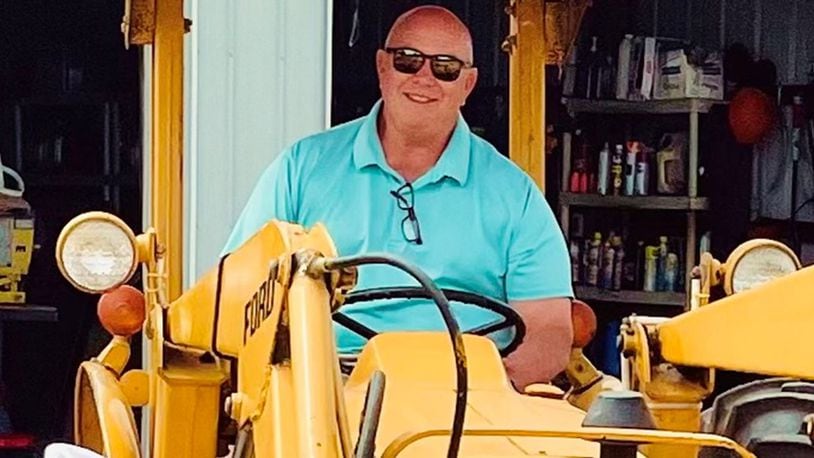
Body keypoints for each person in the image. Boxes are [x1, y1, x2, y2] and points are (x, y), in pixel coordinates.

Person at [222, 5, 573, 390]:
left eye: (445, 67)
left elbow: (549, 331)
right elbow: (238, 292)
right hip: (326, 388)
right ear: (382, 67)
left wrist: (492, 390)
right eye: (408, 61)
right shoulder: (302, 168)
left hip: (470, 394)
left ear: (468, 84)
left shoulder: (514, 193)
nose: (424, 78)